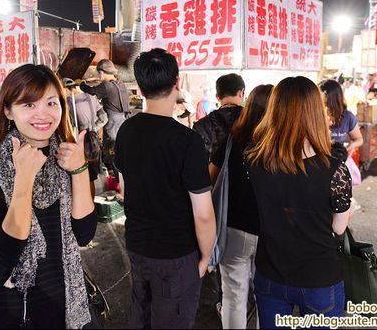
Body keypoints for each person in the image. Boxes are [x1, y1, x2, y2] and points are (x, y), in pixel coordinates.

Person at [0, 64, 97, 328]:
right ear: (8, 110)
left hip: (65, 299)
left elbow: (84, 234)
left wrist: (80, 170)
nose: (43, 114)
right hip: (12, 307)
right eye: (29, 105)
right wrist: (24, 180)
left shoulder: (67, 157)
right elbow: (4, 253)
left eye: (51, 103)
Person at [114, 48, 216, 329]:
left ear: (140, 87)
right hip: (176, 255)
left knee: (141, 315)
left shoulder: (126, 130)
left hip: (137, 246)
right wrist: (206, 256)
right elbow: (204, 214)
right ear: (177, 83)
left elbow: (124, 189)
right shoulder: (188, 141)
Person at [246, 76, 353, 327]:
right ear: (316, 112)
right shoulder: (334, 168)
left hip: (270, 274)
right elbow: (338, 228)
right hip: (319, 279)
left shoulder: (254, 161)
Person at [209, 84, 273, 329]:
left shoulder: (231, 140)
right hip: (270, 233)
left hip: (234, 229)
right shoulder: (283, 144)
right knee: (264, 297)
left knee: (233, 296)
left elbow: (209, 178)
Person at [79, 59, 130, 176]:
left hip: (113, 124)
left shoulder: (106, 86)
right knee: (120, 152)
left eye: (99, 73)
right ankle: (118, 179)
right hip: (123, 122)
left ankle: (116, 180)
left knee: (112, 153)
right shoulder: (120, 84)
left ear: (102, 72)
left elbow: (90, 90)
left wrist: (81, 84)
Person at [66, 85, 108, 194]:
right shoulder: (91, 98)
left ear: (67, 88)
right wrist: (93, 129)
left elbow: (69, 125)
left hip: (80, 142)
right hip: (94, 141)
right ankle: (92, 205)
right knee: (92, 175)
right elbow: (104, 118)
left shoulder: (68, 102)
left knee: (82, 175)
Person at [193, 73, 245, 158]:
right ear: (241, 93)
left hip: (210, 171)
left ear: (217, 97)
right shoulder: (254, 120)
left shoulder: (201, 125)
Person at [320, 80, 364, 157]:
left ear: (331, 97)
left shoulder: (348, 117)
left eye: (320, 95)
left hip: (336, 158)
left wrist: (353, 145)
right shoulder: (314, 115)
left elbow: (359, 139)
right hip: (317, 158)